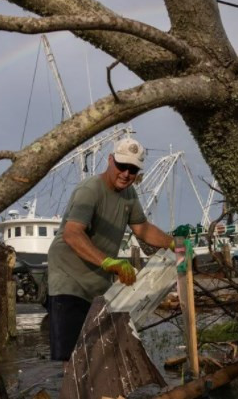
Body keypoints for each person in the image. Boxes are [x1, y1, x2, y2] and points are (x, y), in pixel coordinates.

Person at [46, 137, 174, 361]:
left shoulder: (129, 194)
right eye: (122, 166)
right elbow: (71, 233)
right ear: (110, 160)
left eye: (132, 169)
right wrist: (109, 263)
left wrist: (174, 243)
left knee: (95, 356)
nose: (126, 174)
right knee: (67, 360)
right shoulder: (90, 190)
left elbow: (142, 228)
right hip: (68, 282)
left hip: (97, 286)